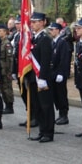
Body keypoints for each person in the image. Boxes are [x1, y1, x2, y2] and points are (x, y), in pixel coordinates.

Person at [28, 12, 55, 142]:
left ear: (43, 22)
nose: (33, 24)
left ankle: (48, 133)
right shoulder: (33, 38)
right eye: (32, 22)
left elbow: (45, 60)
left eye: (36, 21)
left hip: (42, 78)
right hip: (34, 77)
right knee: (37, 106)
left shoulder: (45, 39)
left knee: (46, 106)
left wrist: (43, 78)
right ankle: (42, 130)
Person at [49, 21, 72, 125]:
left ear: (58, 30)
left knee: (61, 94)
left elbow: (64, 59)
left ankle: (64, 115)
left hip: (59, 73)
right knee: (56, 95)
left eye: (52, 29)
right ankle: (60, 114)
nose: (51, 31)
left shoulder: (62, 42)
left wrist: (62, 73)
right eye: (50, 29)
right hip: (53, 73)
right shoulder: (53, 42)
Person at [0, 23, 15, 114]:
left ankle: (9, 106)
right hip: (1, 69)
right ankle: (6, 104)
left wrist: (9, 72)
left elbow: (10, 59)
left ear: (5, 32)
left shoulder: (7, 44)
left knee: (7, 88)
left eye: (1, 31)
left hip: (6, 70)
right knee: (3, 89)